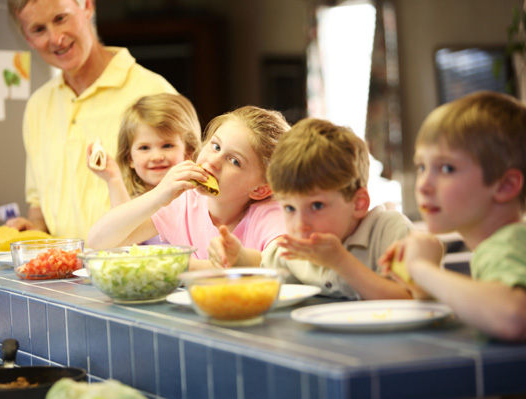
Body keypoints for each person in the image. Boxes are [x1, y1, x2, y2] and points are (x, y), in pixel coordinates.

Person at [5, 0, 176, 243]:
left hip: (135, 269)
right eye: (39, 29)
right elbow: (38, 204)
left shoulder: (153, 92)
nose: (55, 38)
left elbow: (186, 196)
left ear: (87, 7)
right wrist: (32, 226)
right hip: (62, 272)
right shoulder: (37, 106)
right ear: (27, 37)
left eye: (60, 18)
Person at [380, 91, 526, 342]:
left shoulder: (505, 245)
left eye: (447, 168)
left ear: (505, 186)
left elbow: (513, 318)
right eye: (422, 167)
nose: (423, 184)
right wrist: (425, 289)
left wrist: (422, 268)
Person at [88, 106, 291, 271]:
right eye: (216, 146)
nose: (213, 161)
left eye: (234, 161)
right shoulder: (184, 204)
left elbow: (282, 266)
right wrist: (158, 195)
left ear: (261, 189)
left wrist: (190, 267)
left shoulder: (270, 213)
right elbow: (99, 241)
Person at [247, 118, 414, 300]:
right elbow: (261, 271)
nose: (300, 224)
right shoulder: (296, 249)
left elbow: (407, 299)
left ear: (358, 203)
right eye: (289, 208)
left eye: (316, 206)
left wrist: (340, 261)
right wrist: (236, 257)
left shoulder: (390, 231)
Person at [87, 93, 202, 244]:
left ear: (188, 152)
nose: (156, 156)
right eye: (144, 148)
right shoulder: (137, 200)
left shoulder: (193, 198)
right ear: (130, 159)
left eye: (167, 145)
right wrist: (113, 178)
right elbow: (120, 239)